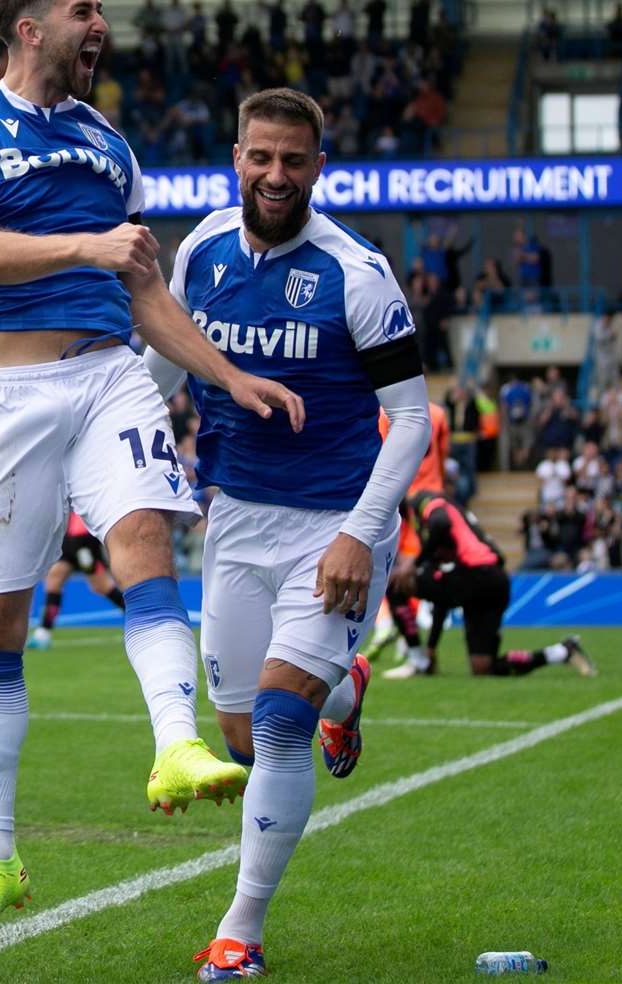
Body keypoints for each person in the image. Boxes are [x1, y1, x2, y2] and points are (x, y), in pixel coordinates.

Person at [0, 0, 301, 950]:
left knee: (144, 545)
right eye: (84, 11)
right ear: (30, 26)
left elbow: (147, 292)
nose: (101, 26)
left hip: (108, 374)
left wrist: (227, 374)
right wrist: (86, 245)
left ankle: (176, 745)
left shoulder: (110, 145)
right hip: (4, 393)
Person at [136, 88, 431, 979]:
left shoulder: (357, 271)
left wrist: (360, 533)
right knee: (236, 733)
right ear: (236, 158)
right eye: (258, 157)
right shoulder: (202, 249)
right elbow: (160, 366)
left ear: (317, 167)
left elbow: (411, 418)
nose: (274, 174)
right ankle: (344, 697)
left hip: (333, 530)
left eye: (292, 160)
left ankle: (240, 931)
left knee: (271, 723)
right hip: (233, 520)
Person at [400, 489, 595, 679]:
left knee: (396, 584)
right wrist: (432, 647)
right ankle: (561, 652)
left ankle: (418, 660)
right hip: (490, 583)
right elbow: (441, 598)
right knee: (483, 668)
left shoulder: (426, 502)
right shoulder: (442, 533)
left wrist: (414, 563)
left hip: (478, 577)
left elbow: (441, 522)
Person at [368, 400, 451, 679]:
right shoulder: (438, 413)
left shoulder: (383, 413)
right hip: (431, 500)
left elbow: (381, 453)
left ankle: (400, 634)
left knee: (397, 570)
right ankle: (410, 639)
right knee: (419, 570)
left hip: (400, 497)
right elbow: (442, 454)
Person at [26, 510, 124, 651]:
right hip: (70, 535)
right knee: (54, 578)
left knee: (100, 585)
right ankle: (43, 634)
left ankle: (140, 617)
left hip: (84, 537)